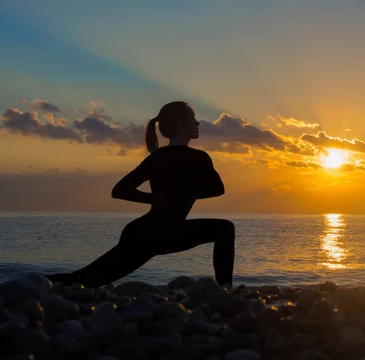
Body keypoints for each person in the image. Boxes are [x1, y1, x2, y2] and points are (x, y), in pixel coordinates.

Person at [47, 101, 235, 288]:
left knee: (90, 278)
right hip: (154, 233)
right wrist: (177, 195)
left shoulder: (158, 157)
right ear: (180, 124)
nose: (198, 123)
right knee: (224, 229)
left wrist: (156, 198)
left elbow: (120, 190)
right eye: (193, 118)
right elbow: (217, 189)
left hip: (147, 231)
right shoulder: (198, 158)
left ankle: (43, 282)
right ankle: (226, 289)